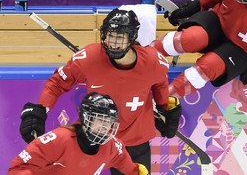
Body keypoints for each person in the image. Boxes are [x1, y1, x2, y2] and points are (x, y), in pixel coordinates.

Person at [18, 9, 181, 174]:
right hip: (93, 136)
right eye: (110, 35)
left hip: (135, 139)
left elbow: (159, 83)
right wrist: (39, 110)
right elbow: (58, 82)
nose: (113, 42)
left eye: (119, 37)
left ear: (132, 37)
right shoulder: (89, 57)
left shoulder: (154, 62)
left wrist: (165, 106)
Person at [10, 92, 149, 174]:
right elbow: (18, 168)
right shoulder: (59, 139)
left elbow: (132, 170)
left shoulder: (114, 147)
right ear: (85, 118)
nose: (105, 125)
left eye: (109, 120)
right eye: (99, 119)